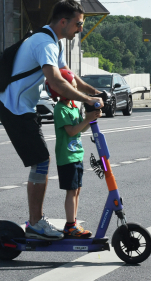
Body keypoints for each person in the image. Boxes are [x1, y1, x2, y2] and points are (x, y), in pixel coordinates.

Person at [0, 0, 104, 240]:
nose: (80, 29)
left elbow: (69, 77)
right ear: (63, 22)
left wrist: (94, 92)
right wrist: (87, 100)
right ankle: (35, 223)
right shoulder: (45, 43)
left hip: (24, 108)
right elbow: (56, 82)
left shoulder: (54, 42)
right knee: (41, 161)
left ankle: (36, 221)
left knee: (41, 162)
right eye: (78, 24)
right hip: (13, 108)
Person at [52, 69, 101, 238]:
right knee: (71, 191)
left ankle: (73, 222)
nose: (76, 89)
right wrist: (87, 119)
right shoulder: (60, 110)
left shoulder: (73, 106)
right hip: (67, 157)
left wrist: (91, 119)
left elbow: (80, 130)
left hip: (77, 154)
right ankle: (70, 225)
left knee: (77, 189)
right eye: (72, 86)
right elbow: (71, 131)